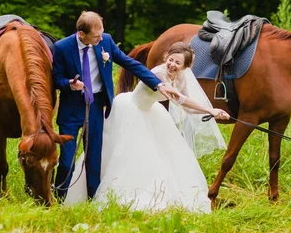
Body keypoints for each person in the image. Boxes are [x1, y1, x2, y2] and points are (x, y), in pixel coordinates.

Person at [65, 42, 230, 212]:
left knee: (164, 155)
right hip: (131, 110)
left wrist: (212, 113)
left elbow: (187, 107)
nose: (172, 65)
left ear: (185, 68)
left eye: (178, 63)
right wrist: (210, 108)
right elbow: (179, 99)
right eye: (171, 60)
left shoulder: (180, 78)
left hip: (151, 111)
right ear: (166, 56)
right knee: (123, 153)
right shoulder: (159, 73)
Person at [52, 11, 177, 201]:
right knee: (66, 160)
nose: (100, 38)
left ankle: (93, 198)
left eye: (101, 33)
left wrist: (157, 83)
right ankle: (58, 199)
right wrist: (69, 84)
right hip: (71, 109)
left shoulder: (106, 41)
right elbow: (56, 79)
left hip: (96, 107)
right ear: (81, 34)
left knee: (94, 157)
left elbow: (129, 63)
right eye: (96, 36)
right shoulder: (62, 47)